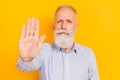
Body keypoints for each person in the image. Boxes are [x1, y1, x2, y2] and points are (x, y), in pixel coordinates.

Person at [17, 5, 100, 80]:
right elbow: (25, 67)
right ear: (54, 27)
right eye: (59, 21)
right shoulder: (44, 50)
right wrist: (26, 58)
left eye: (69, 21)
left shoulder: (88, 54)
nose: (63, 26)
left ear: (76, 27)